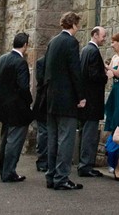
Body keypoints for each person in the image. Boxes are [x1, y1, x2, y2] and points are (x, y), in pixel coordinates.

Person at [44, 11, 86, 191]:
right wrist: (81, 96)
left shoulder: (53, 41)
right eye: (78, 25)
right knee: (66, 140)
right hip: (67, 99)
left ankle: (51, 175)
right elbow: (75, 71)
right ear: (74, 24)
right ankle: (61, 178)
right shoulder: (71, 42)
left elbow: (45, 69)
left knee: (53, 140)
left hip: (52, 98)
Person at [0, 31, 32, 183]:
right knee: (15, 141)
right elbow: (23, 87)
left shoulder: (3, 58)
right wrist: (29, 100)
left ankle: (3, 169)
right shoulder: (20, 62)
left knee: (5, 140)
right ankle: (9, 172)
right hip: (17, 108)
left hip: (3, 105)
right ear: (25, 45)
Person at [78, 25, 108, 178]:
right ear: (95, 35)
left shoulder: (85, 50)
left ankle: (84, 163)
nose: (104, 39)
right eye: (103, 36)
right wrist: (106, 76)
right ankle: (86, 165)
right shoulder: (94, 51)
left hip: (86, 100)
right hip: (92, 100)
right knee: (89, 135)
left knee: (86, 133)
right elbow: (94, 75)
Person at [32, 54, 48, 172]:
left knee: (45, 132)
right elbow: (41, 81)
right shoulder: (42, 62)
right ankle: (42, 160)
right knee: (43, 132)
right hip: (43, 102)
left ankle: (46, 160)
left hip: (48, 102)